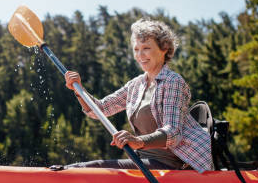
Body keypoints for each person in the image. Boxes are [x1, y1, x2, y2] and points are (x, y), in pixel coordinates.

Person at [63, 18, 213, 173]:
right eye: (136, 49)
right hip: (144, 161)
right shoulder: (136, 85)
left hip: (176, 165)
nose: (140, 55)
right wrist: (79, 91)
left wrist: (138, 141)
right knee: (82, 168)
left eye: (146, 48)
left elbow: (173, 132)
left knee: (91, 169)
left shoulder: (173, 81)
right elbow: (100, 110)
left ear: (164, 48)